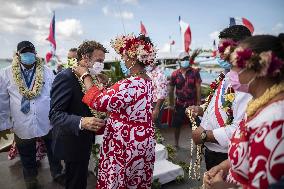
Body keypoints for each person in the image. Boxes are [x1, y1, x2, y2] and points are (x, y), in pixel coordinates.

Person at [74, 34, 156, 189]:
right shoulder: (146, 80)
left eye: (124, 56)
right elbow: (124, 101)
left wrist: (85, 75)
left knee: (119, 181)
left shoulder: (130, 83)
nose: (123, 60)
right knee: (136, 181)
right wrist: (109, 85)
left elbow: (99, 101)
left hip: (125, 142)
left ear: (133, 58)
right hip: (142, 141)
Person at [203, 34, 284, 189]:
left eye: (235, 65)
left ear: (258, 69)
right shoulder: (258, 104)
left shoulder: (275, 118)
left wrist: (222, 187)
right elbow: (247, 153)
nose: (231, 72)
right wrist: (224, 167)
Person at [187, 25, 252, 170]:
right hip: (213, 150)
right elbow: (218, 106)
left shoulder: (247, 84)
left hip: (228, 154)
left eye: (224, 48)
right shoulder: (226, 77)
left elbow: (241, 129)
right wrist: (200, 109)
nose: (219, 53)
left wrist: (205, 135)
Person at [0, 41, 63, 189]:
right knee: (26, 154)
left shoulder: (47, 71)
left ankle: (58, 173)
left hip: (47, 120)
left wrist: (58, 115)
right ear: (18, 55)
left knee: (54, 149)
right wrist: (4, 123)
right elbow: (2, 100)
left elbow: (55, 94)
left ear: (35, 54)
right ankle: (31, 180)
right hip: (22, 121)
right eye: (24, 52)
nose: (27, 55)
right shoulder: (6, 73)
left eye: (30, 52)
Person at [49, 40, 107, 189]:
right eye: (99, 60)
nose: (101, 64)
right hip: (72, 141)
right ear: (85, 58)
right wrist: (82, 121)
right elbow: (55, 114)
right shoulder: (66, 77)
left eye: (103, 61)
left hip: (86, 139)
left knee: (80, 178)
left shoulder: (92, 77)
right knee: (75, 182)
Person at [169, 50, 202, 148]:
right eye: (183, 59)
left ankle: (198, 145)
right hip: (179, 104)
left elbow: (198, 87)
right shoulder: (174, 74)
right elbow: (171, 90)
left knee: (195, 125)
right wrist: (171, 104)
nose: (186, 60)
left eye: (187, 58)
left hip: (192, 104)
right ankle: (176, 143)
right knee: (177, 125)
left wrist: (198, 102)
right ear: (179, 61)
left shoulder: (195, 72)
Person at [145, 61, 168, 127]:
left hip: (156, 104)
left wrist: (156, 109)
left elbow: (162, 93)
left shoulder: (160, 74)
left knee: (155, 128)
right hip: (148, 104)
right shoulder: (148, 73)